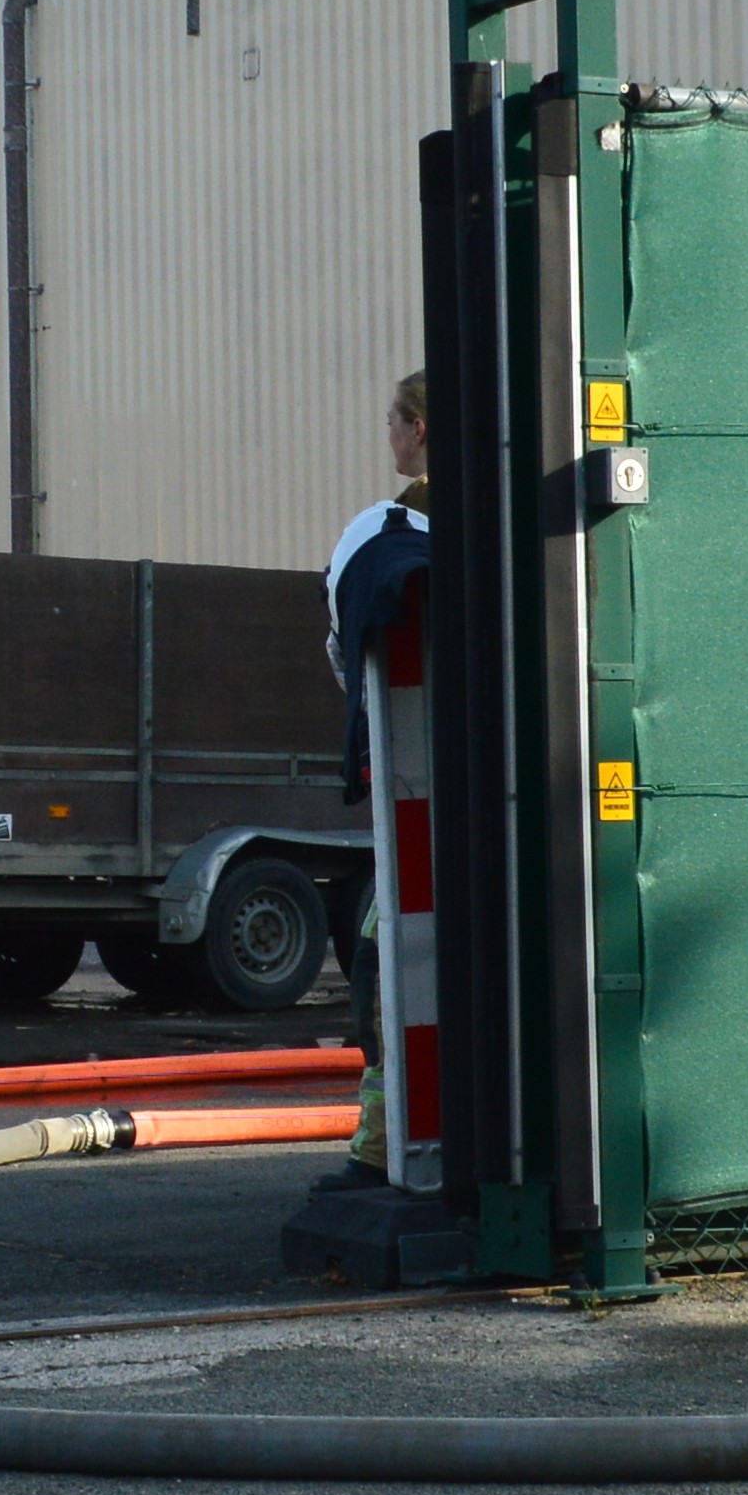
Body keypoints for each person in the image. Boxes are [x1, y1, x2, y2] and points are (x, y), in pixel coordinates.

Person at [321, 375, 433, 1175]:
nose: (386, 436)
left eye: (391, 422)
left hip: (417, 797)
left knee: (382, 966)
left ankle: (383, 1145)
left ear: (418, 430)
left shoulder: (385, 530)